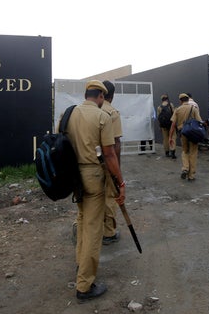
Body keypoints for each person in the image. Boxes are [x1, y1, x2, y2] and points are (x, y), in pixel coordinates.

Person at [66, 80, 126, 302]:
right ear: (101, 96)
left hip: (73, 176)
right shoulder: (103, 116)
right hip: (93, 175)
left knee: (82, 220)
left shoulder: (68, 114)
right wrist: (120, 182)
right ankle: (84, 285)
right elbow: (109, 154)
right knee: (92, 229)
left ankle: (81, 266)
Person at [101, 80, 122, 245]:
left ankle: (88, 229)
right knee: (110, 195)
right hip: (107, 162)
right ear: (112, 95)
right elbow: (115, 144)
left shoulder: (87, 110)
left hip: (89, 163)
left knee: (91, 197)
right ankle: (108, 232)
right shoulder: (112, 112)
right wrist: (117, 172)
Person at [168, 93, 203, 181]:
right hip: (193, 133)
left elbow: (173, 124)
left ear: (180, 101)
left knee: (185, 151)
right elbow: (199, 122)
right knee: (193, 153)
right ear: (188, 99)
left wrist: (170, 137)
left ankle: (185, 168)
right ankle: (191, 176)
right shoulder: (193, 108)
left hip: (183, 133)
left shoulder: (177, 109)